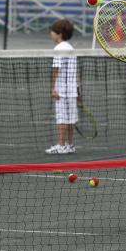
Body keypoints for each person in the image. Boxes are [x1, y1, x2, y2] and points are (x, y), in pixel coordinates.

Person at [46, 19, 78, 155]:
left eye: (52, 31)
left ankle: (61, 145)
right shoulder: (71, 48)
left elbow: (56, 69)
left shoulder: (58, 49)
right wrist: (78, 89)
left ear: (59, 34)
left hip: (62, 91)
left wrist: (53, 88)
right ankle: (70, 145)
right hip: (72, 90)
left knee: (62, 119)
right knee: (70, 119)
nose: (51, 34)